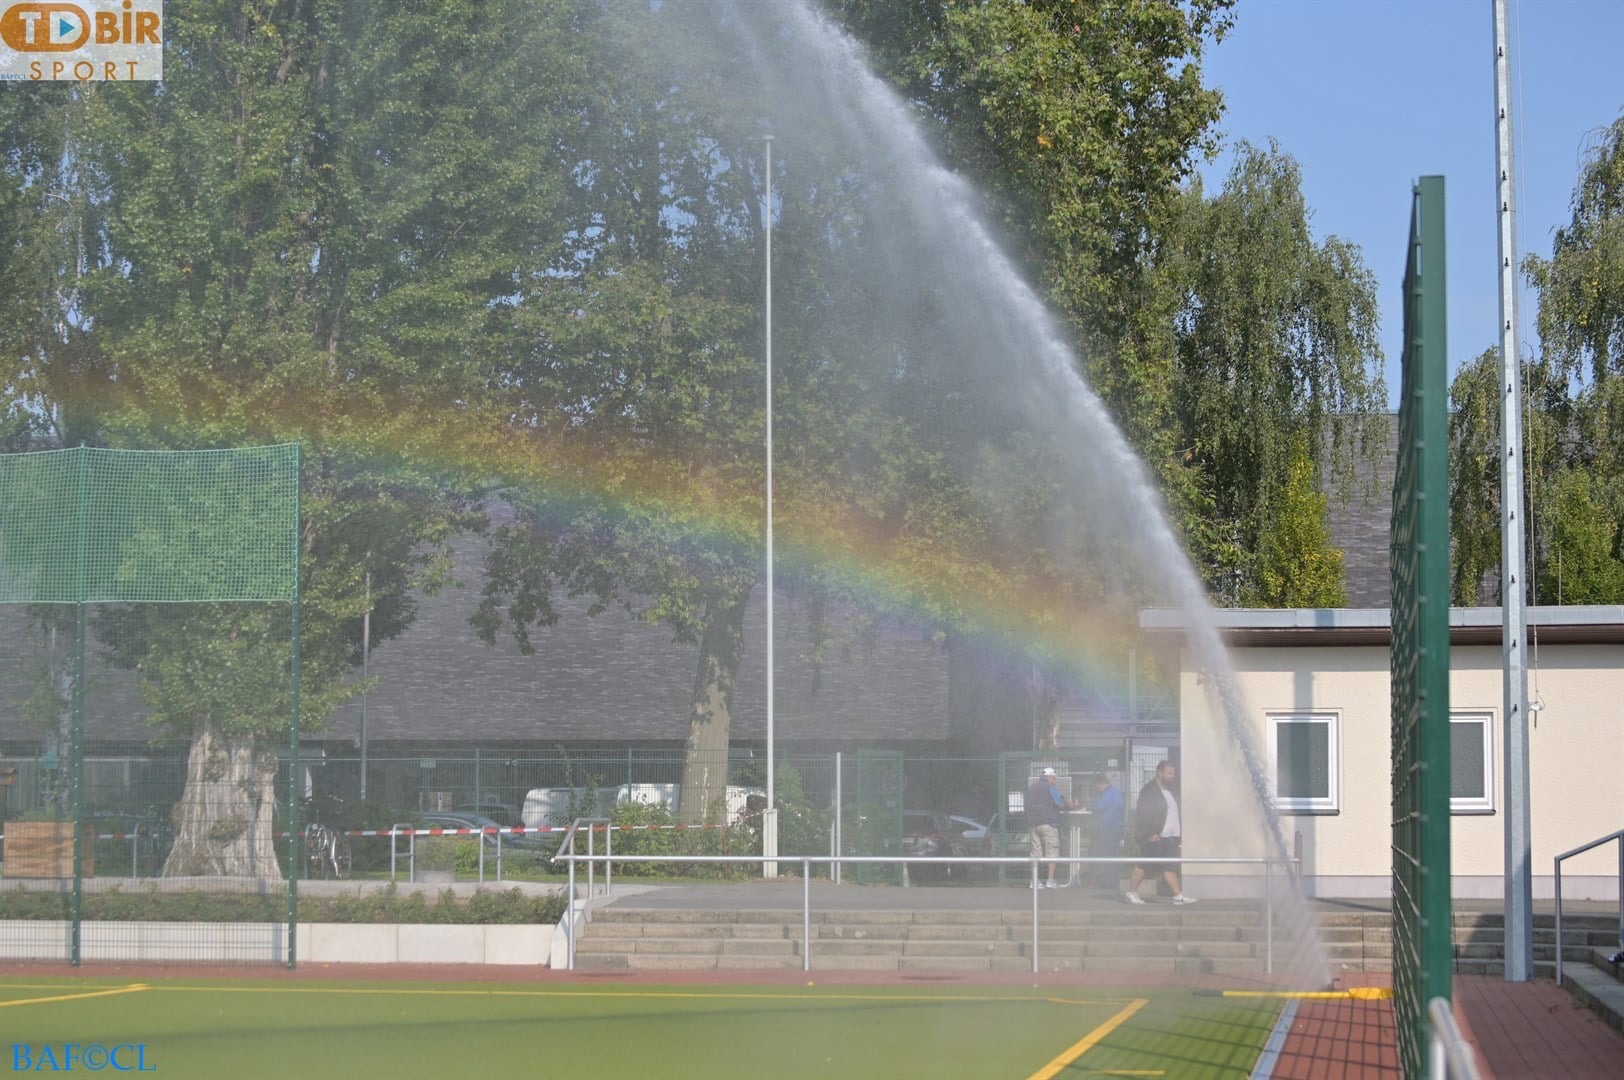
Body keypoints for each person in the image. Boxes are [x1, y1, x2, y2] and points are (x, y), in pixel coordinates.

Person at [1126, 760, 1195, 905]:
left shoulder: (1170, 791)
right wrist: (1148, 833)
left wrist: (1178, 834)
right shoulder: (1149, 790)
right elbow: (1142, 814)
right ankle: (1131, 892)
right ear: (1159, 772)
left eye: (1173, 773)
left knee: (1169, 867)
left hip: (1170, 838)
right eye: (1169, 773)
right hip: (1156, 837)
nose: (1172, 776)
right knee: (1144, 864)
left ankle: (1178, 896)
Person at [1024, 767, 1070, 888]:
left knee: (1035, 853)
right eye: (1054, 778)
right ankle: (1050, 880)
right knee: (1052, 851)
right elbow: (1060, 804)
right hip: (1049, 823)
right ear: (1050, 777)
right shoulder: (1050, 787)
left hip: (1033, 824)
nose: (1055, 781)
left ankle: (1035, 881)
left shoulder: (1032, 787)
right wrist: (1066, 803)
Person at [1089, 773, 1125, 890]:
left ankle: (1108, 882)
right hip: (1118, 827)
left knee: (1107, 854)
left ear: (1101, 784)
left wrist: (1089, 807)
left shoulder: (1108, 793)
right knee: (1115, 854)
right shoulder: (1117, 792)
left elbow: (1099, 806)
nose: (1098, 790)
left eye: (1097, 787)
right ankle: (1114, 881)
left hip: (1109, 828)